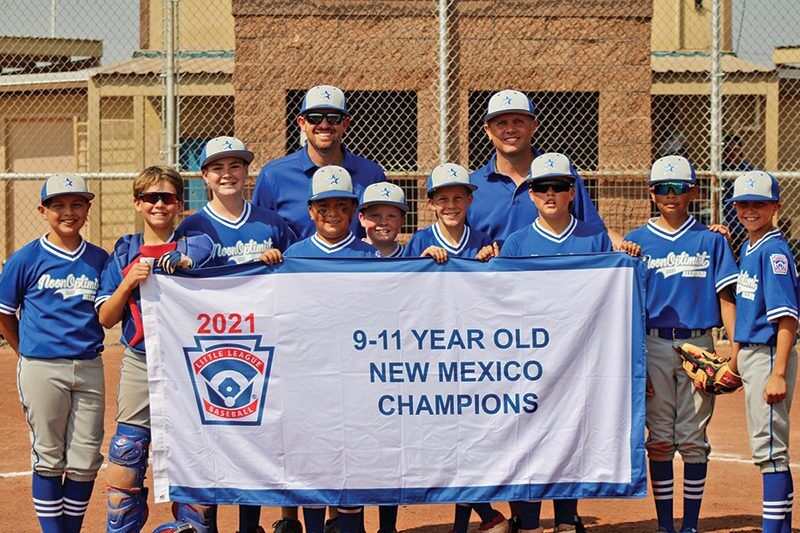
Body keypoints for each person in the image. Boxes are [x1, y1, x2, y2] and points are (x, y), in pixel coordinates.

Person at [498, 153, 637, 533]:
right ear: (530, 194)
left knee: (570, 435)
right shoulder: (517, 242)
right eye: (542, 187)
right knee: (525, 439)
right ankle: (525, 519)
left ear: (572, 192)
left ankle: (565, 517)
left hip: (578, 357)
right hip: (529, 358)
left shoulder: (594, 239)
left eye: (558, 186)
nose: (550, 193)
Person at [174, 137, 296, 533]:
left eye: (236, 167)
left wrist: (275, 263)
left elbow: (297, 277)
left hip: (263, 341)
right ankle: (205, 522)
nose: (227, 175)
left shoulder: (270, 222)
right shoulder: (194, 225)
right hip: (213, 343)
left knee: (255, 435)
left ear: (247, 173)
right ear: (205, 176)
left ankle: (250, 525)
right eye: (218, 168)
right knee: (212, 432)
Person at [624, 155, 739, 533]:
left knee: (692, 438)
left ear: (693, 190)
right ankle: (664, 526)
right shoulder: (637, 242)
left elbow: (726, 300)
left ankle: (689, 525)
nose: (671, 195)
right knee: (658, 438)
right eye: (662, 188)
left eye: (679, 187)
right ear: (652, 193)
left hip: (699, 345)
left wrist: (734, 355)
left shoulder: (711, 239)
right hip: (653, 341)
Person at [96, 165, 213, 533]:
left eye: (168, 197)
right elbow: (106, 318)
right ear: (137, 203)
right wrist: (128, 282)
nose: (159, 204)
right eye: (151, 197)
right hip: (141, 358)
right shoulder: (124, 251)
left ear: (180, 203)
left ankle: (194, 525)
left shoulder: (198, 245)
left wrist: (189, 265)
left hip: (190, 361)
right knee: (127, 449)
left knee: (196, 448)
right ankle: (124, 524)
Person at [0, 174, 109, 532]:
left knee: (85, 459)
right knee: (48, 457)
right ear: (43, 211)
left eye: (77, 204)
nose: (68, 212)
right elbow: (4, 312)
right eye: (58, 205)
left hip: (90, 364)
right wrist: (26, 352)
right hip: (42, 366)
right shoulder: (26, 258)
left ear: (87, 209)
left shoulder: (98, 258)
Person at [728, 170, 797, 532]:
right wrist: (737, 360)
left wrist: (778, 372)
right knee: (771, 451)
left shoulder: (773, 252)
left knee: (769, 451)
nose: (750, 210)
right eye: (743, 204)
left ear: (775, 207)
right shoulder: (752, 246)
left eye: (759, 204)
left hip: (769, 354)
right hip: (754, 355)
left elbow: (787, 318)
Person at [467, 89, 617, 247]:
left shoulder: (561, 175)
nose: (510, 129)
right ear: (488, 131)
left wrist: (636, 252)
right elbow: (457, 245)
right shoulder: (472, 186)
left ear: (533, 126)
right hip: (493, 271)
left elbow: (595, 231)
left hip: (555, 270)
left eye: (518, 121)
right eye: (501, 123)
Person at [253, 84, 386, 241]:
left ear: (345, 124)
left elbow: (384, 229)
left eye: (333, 118)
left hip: (353, 264)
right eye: (314, 117)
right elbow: (258, 234)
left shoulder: (371, 175)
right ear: (302, 123)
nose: (324, 125)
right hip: (295, 266)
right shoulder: (273, 176)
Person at [404, 163, 495, 263]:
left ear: (469, 200)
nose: (451, 205)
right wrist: (422, 262)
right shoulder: (420, 240)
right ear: (432, 204)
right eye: (443, 199)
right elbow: (404, 276)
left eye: (458, 198)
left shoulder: (481, 241)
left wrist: (488, 261)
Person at [284, 165, 377, 260]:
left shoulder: (370, 255)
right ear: (311, 211)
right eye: (324, 206)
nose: (332, 213)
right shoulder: (294, 255)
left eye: (341, 205)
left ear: (353, 209)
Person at [358, 182, 408, 258]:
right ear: (362, 219)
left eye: (391, 216)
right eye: (375, 216)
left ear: (402, 221)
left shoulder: (411, 257)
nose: (383, 222)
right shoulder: (347, 255)